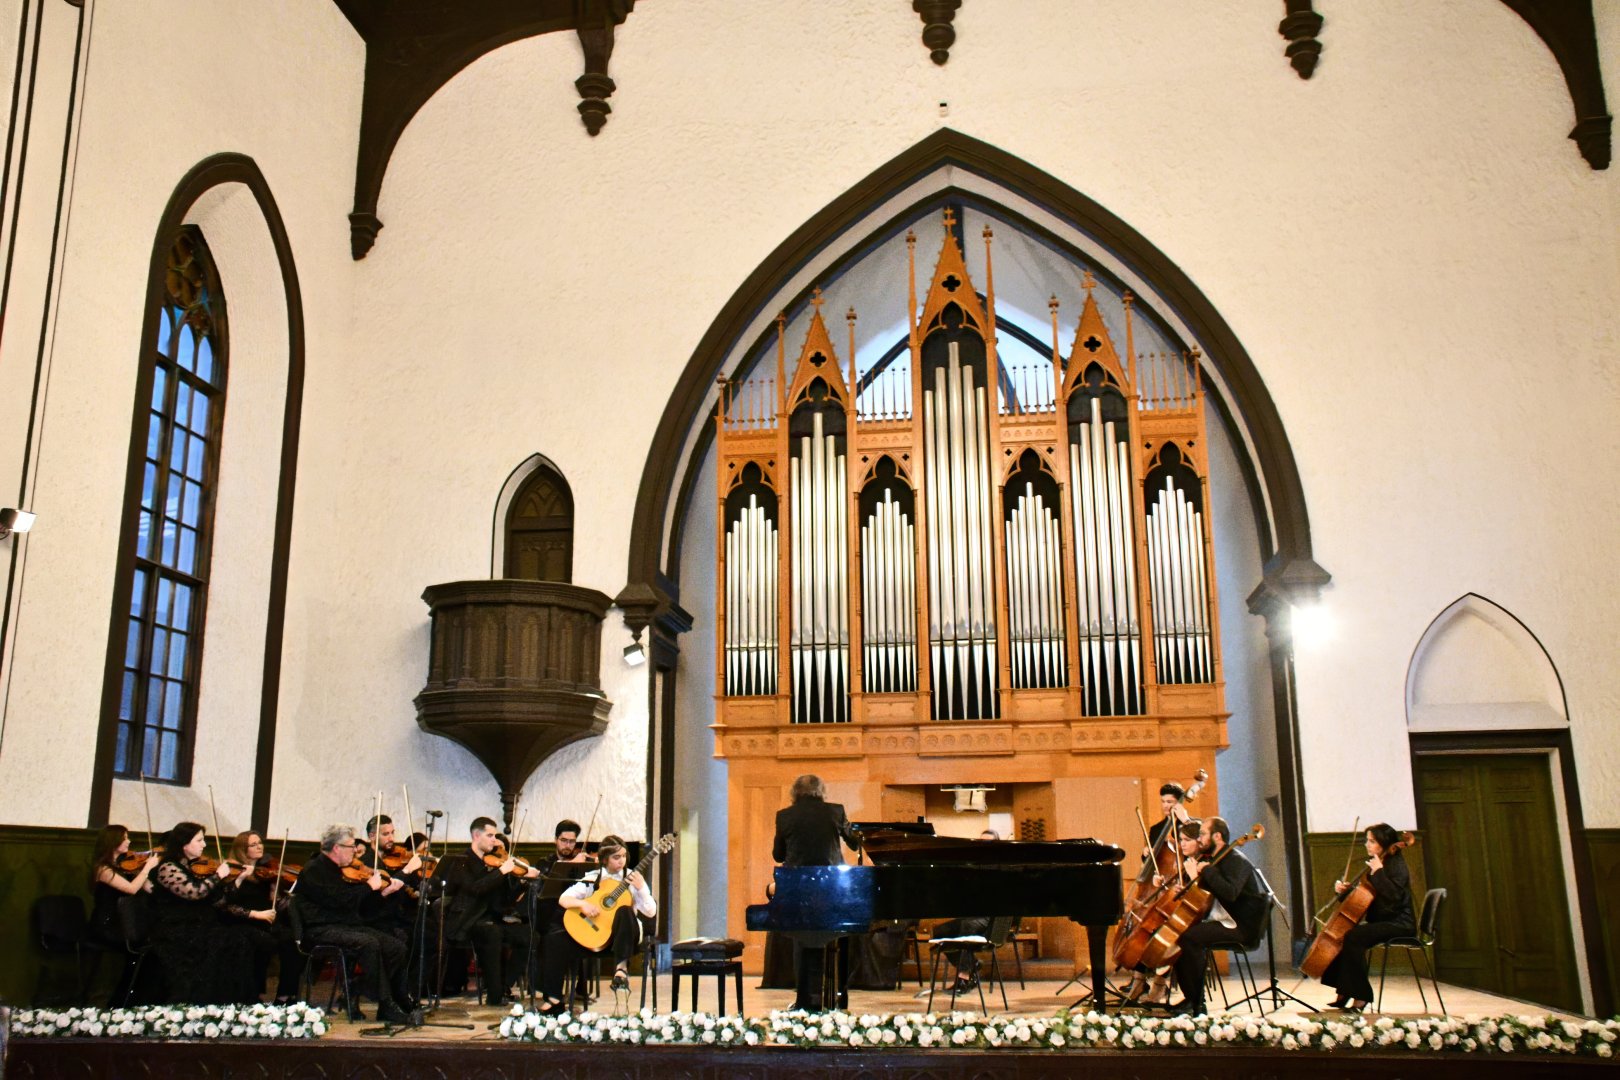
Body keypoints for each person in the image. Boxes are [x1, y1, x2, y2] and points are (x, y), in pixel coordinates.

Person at [294, 823, 421, 1025]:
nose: (355, 850)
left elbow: (358, 906)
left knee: (396, 947)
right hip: (320, 929)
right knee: (369, 943)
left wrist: (382, 893)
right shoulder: (315, 869)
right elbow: (341, 901)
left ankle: (391, 997)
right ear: (337, 848)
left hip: (345, 925)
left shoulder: (343, 869)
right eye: (351, 846)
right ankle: (386, 1003)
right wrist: (369, 887)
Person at [534, 838, 656, 1015]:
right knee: (554, 938)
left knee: (624, 910)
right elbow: (563, 899)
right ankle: (553, 1000)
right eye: (616, 857)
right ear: (604, 859)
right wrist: (583, 905)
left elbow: (651, 912)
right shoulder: (592, 877)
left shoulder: (633, 878)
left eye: (623, 856)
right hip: (595, 937)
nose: (621, 861)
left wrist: (642, 889)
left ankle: (621, 969)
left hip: (621, 939)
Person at [771, 774, 861, 1010]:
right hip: (830, 888)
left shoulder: (784, 816)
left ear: (794, 793)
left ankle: (804, 999)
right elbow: (854, 842)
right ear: (821, 792)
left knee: (802, 937)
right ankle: (836, 995)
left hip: (797, 888)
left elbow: (778, 855)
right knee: (833, 935)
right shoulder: (836, 811)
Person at [146, 822, 258, 1004]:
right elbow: (194, 892)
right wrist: (218, 876)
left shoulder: (192, 867)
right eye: (199, 840)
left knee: (241, 939)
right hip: (175, 931)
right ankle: (209, 1001)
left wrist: (239, 879)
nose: (204, 845)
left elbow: (217, 901)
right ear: (184, 844)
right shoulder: (167, 867)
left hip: (195, 927)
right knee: (228, 942)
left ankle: (233, 1001)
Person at [1169, 816, 1266, 1016]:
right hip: (1223, 920)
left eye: (1203, 834)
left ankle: (1197, 1003)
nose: (1200, 838)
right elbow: (1206, 895)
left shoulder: (1237, 861)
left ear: (1217, 836)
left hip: (1240, 926)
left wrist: (1205, 874)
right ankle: (1191, 998)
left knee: (1189, 939)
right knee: (1180, 936)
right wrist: (1188, 885)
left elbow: (1230, 893)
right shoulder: (1216, 860)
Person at [439, 816, 539, 1005]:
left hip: (493, 919)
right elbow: (475, 889)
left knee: (530, 935)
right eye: (490, 835)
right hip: (468, 921)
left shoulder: (494, 862)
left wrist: (522, 883)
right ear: (476, 835)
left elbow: (506, 901)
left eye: (494, 835)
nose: (494, 840)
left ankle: (505, 984)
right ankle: (494, 996)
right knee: (493, 932)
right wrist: (501, 872)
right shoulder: (461, 861)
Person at [1318, 823, 1415, 1012]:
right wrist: (1343, 892)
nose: (1367, 845)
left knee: (1354, 937)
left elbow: (1394, 896)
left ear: (1384, 843)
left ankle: (1360, 996)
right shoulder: (1379, 863)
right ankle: (1345, 990)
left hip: (1400, 923)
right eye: (1367, 841)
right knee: (1348, 934)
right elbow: (1365, 897)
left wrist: (1378, 872)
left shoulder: (1396, 865)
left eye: (1372, 841)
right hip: (1382, 921)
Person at [218, 831, 305, 1004]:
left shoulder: (265, 872)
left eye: (260, 843)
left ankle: (285, 995)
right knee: (262, 942)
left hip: (265, 923)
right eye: (253, 844)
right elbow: (226, 905)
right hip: (241, 923)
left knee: (293, 942)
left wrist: (277, 893)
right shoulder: (232, 871)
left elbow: (275, 905)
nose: (259, 847)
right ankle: (254, 994)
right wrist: (242, 878)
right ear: (242, 849)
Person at [1122, 819, 1201, 1005]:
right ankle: (1140, 981)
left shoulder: (1202, 861)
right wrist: (1162, 884)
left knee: (1162, 935)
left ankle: (1159, 983)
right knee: (1148, 931)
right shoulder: (1185, 860)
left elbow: (1202, 894)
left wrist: (1194, 876)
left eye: (1186, 840)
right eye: (1180, 840)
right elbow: (1177, 888)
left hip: (1194, 917)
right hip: (1180, 912)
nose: (1181, 844)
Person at [929, 829, 1001, 995]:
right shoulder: (973, 864)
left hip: (989, 918)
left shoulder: (1000, 865)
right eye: (980, 843)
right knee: (940, 931)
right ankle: (972, 964)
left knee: (966, 927)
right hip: (972, 916)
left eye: (988, 843)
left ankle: (964, 978)